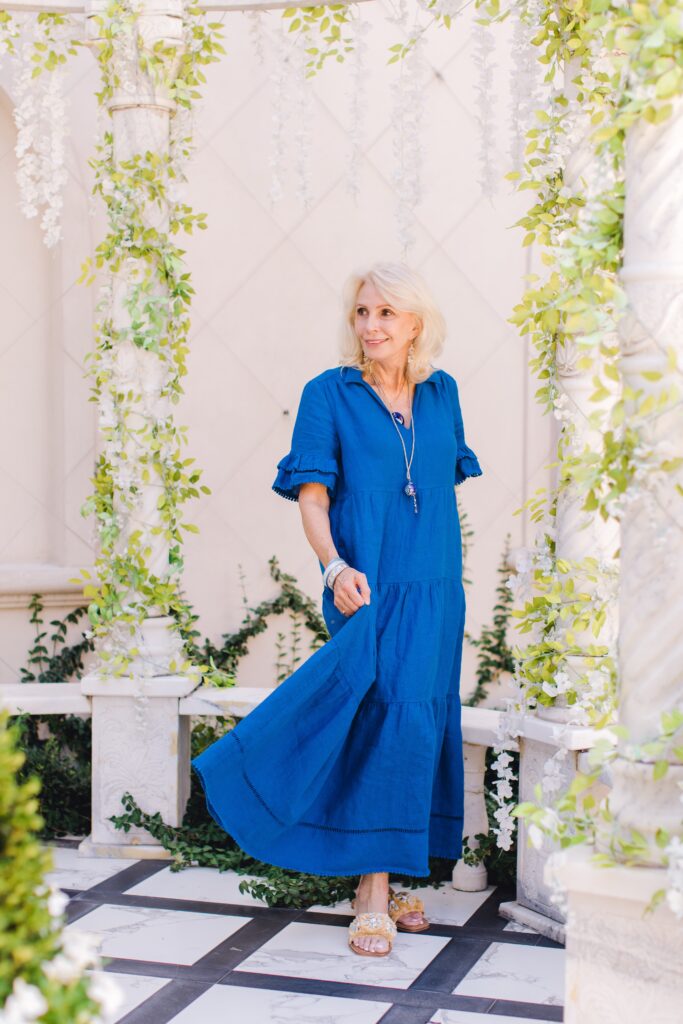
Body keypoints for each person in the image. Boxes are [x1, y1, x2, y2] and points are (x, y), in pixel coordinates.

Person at [192, 261, 483, 958]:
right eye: (361, 313)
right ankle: (371, 892)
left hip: (436, 588)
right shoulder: (328, 394)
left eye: (385, 313)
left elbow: (433, 489)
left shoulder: (443, 395)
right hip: (365, 583)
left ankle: (402, 870)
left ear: (416, 322)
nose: (370, 326)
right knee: (377, 720)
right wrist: (334, 565)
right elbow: (312, 495)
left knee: (422, 722)